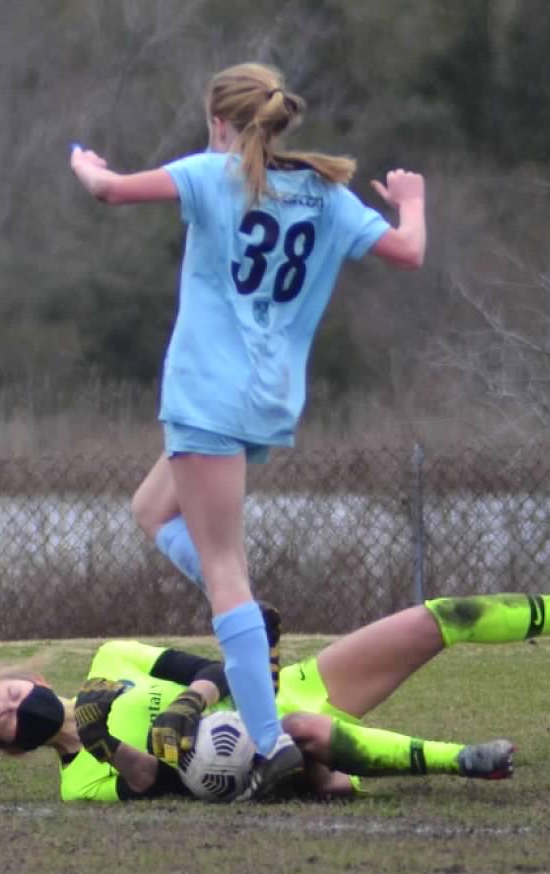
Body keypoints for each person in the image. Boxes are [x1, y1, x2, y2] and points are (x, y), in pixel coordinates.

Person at [70, 62, 428, 799]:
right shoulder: (325, 192)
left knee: (224, 570)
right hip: (266, 398)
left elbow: (110, 192)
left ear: (219, 123)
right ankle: (244, 617)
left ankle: (268, 743)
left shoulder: (211, 172)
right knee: (150, 510)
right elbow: (408, 251)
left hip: (204, 393)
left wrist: (86, 164)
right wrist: (413, 201)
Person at [0, 552, 550, 804]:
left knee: (436, 616)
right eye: (7, 721)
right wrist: (106, 743)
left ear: (33, 677)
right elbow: (152, 786)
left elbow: (210, 669)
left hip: (287, 688)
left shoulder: (111, 659)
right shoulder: (76, 784)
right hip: (256, 755)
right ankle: (461, 762)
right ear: (10, 747)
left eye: (15, 694)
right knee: (308, 745)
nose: (21, 709)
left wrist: (189, 698)